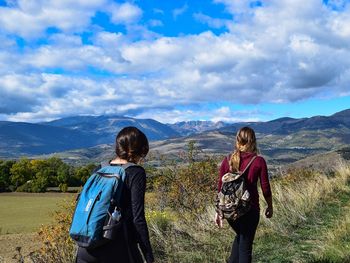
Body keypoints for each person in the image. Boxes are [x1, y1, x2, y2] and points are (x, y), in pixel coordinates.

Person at [77, 126, 154, 263]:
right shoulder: (136, 172)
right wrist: (148, 256)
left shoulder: (100, 168)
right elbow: (138, 219)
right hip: (117, 247)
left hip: (86, 247)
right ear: (141, 149)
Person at [215, 126, 273, 263]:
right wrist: (270, 206)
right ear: (253, 141)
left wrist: (218, 211)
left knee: (241, 238)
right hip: (250, 210)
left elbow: (220, 187)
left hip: (230, 211)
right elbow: (265, 188)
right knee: (245, 248)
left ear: (237, 140)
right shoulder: (258, 161)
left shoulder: (227, 159)